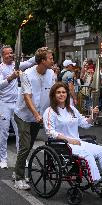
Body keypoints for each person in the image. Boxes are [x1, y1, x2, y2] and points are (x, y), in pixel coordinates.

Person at [43, 82, 102, 188]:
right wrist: (69, 140)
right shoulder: (50, 111)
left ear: (67, 94)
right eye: (58, 92)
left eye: (64, 92)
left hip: (77, 143)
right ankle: (95, 180)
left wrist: (93, 116)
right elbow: (50, 132)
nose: (61, 94)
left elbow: (85, 123)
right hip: (61, 145)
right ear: (53, 95)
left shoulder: (71, 109)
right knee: (86, 154)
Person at [14, 47, 55, 190]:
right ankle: (19, 177)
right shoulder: (26, 75)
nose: (53, 60)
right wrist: (36, 115)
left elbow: (53, 94)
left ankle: (16, 171)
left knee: (29, 145)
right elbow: (27, 97)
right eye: (50, 58)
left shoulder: (51, 74)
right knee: (25, 146)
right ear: (42, 60)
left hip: (39, 116)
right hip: (24, 115)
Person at [0, 45, 36, 169]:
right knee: (4, 133)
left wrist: (40, 53)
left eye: (11, 53)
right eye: (7, 54)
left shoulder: (16, 66)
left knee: (19, 133)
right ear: (2, 55)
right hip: (4, 104)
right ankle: (3, 159)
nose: (10, 55)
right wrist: (11, 78)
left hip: (16, 104)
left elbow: (30, 62)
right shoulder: (0, 68)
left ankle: (21, 159)